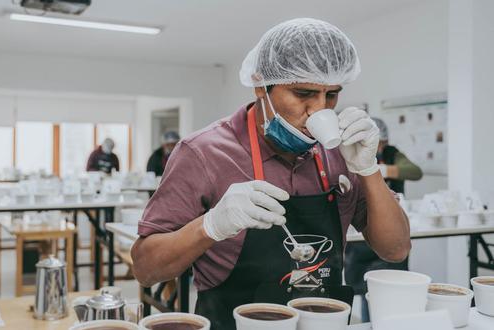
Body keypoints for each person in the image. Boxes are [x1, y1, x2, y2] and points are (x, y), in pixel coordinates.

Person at [132, 18, 411, 330]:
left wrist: (368, 169)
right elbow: (146, 269)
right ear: (260, 85)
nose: (318, 110)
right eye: (303, 92)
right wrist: (210, 225)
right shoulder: (202, 153)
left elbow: (395, 249)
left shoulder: (341, 149)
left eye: (331, 94)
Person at [344, 117, 422, 322]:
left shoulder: (391, 154)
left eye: (381, 143)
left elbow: (414, 171)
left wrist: (377, 171)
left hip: (390, 226)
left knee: (390, 291)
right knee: (364, 287)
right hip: (361, 232)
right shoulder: (348, 155)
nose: (378, 147)